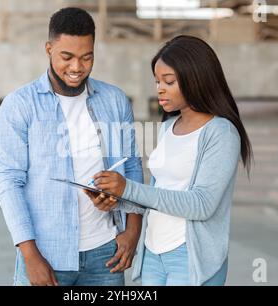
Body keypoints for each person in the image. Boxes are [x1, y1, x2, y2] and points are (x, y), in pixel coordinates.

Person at [85, 35, 253, 286]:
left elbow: (202, 204)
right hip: (153, 252)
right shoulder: (167, 127)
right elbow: (157, 193)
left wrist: (128, 187)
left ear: (195, 78)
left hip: (189, 257)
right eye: (157, 81)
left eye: (169, 81)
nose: (160, 89)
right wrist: (117, 200)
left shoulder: (221, 132)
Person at [0, 7, 143, 286]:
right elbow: (8, 181)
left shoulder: (115, 100)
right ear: (49, 48)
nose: (77, 67)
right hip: (45, 255)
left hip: (105, 255)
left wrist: (133, 231)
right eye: (67, 57)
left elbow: (130, 164)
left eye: (87, 57)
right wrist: (30, 256)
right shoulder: (19, 106)